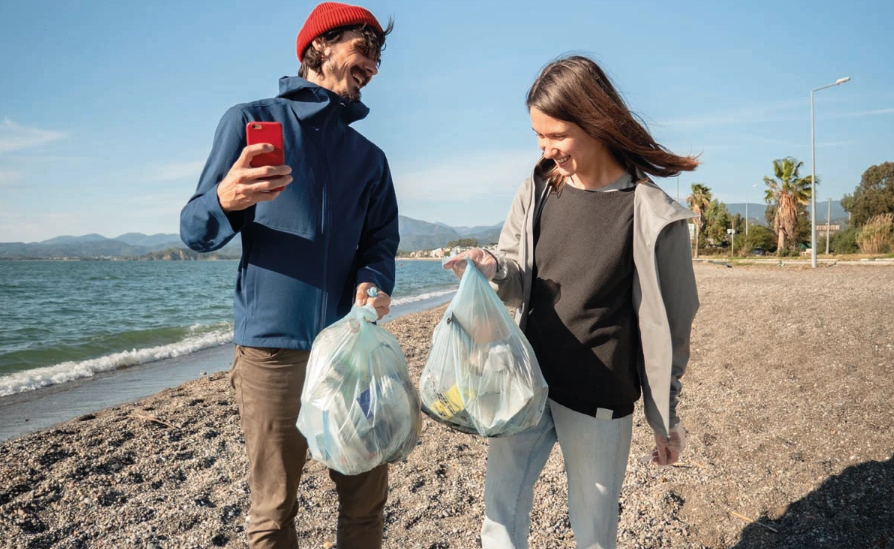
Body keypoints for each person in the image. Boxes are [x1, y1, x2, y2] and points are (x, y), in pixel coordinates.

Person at [443, 55, 700, 549]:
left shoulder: (650, 212)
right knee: (500, 517)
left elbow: (673, 323)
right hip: (525, 385)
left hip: (600, 395)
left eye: (556, 136)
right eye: (538, 137)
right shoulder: (538, 189)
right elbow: (518, 275)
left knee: (594, 533)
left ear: (595, 121)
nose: (547, 149)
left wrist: (664, 417)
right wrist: (493, 266)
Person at [179, 3, 397, 548]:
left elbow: (380, 242)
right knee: (273, 512)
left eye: (378, 53)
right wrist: (225, 201)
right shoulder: (251, 121)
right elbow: (194, 231)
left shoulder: (370, 158)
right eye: (362, 47)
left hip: (350, 351)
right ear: (318, 47)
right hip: (271, 355)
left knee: (366, 504)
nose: (372, 63)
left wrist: (374, 280)